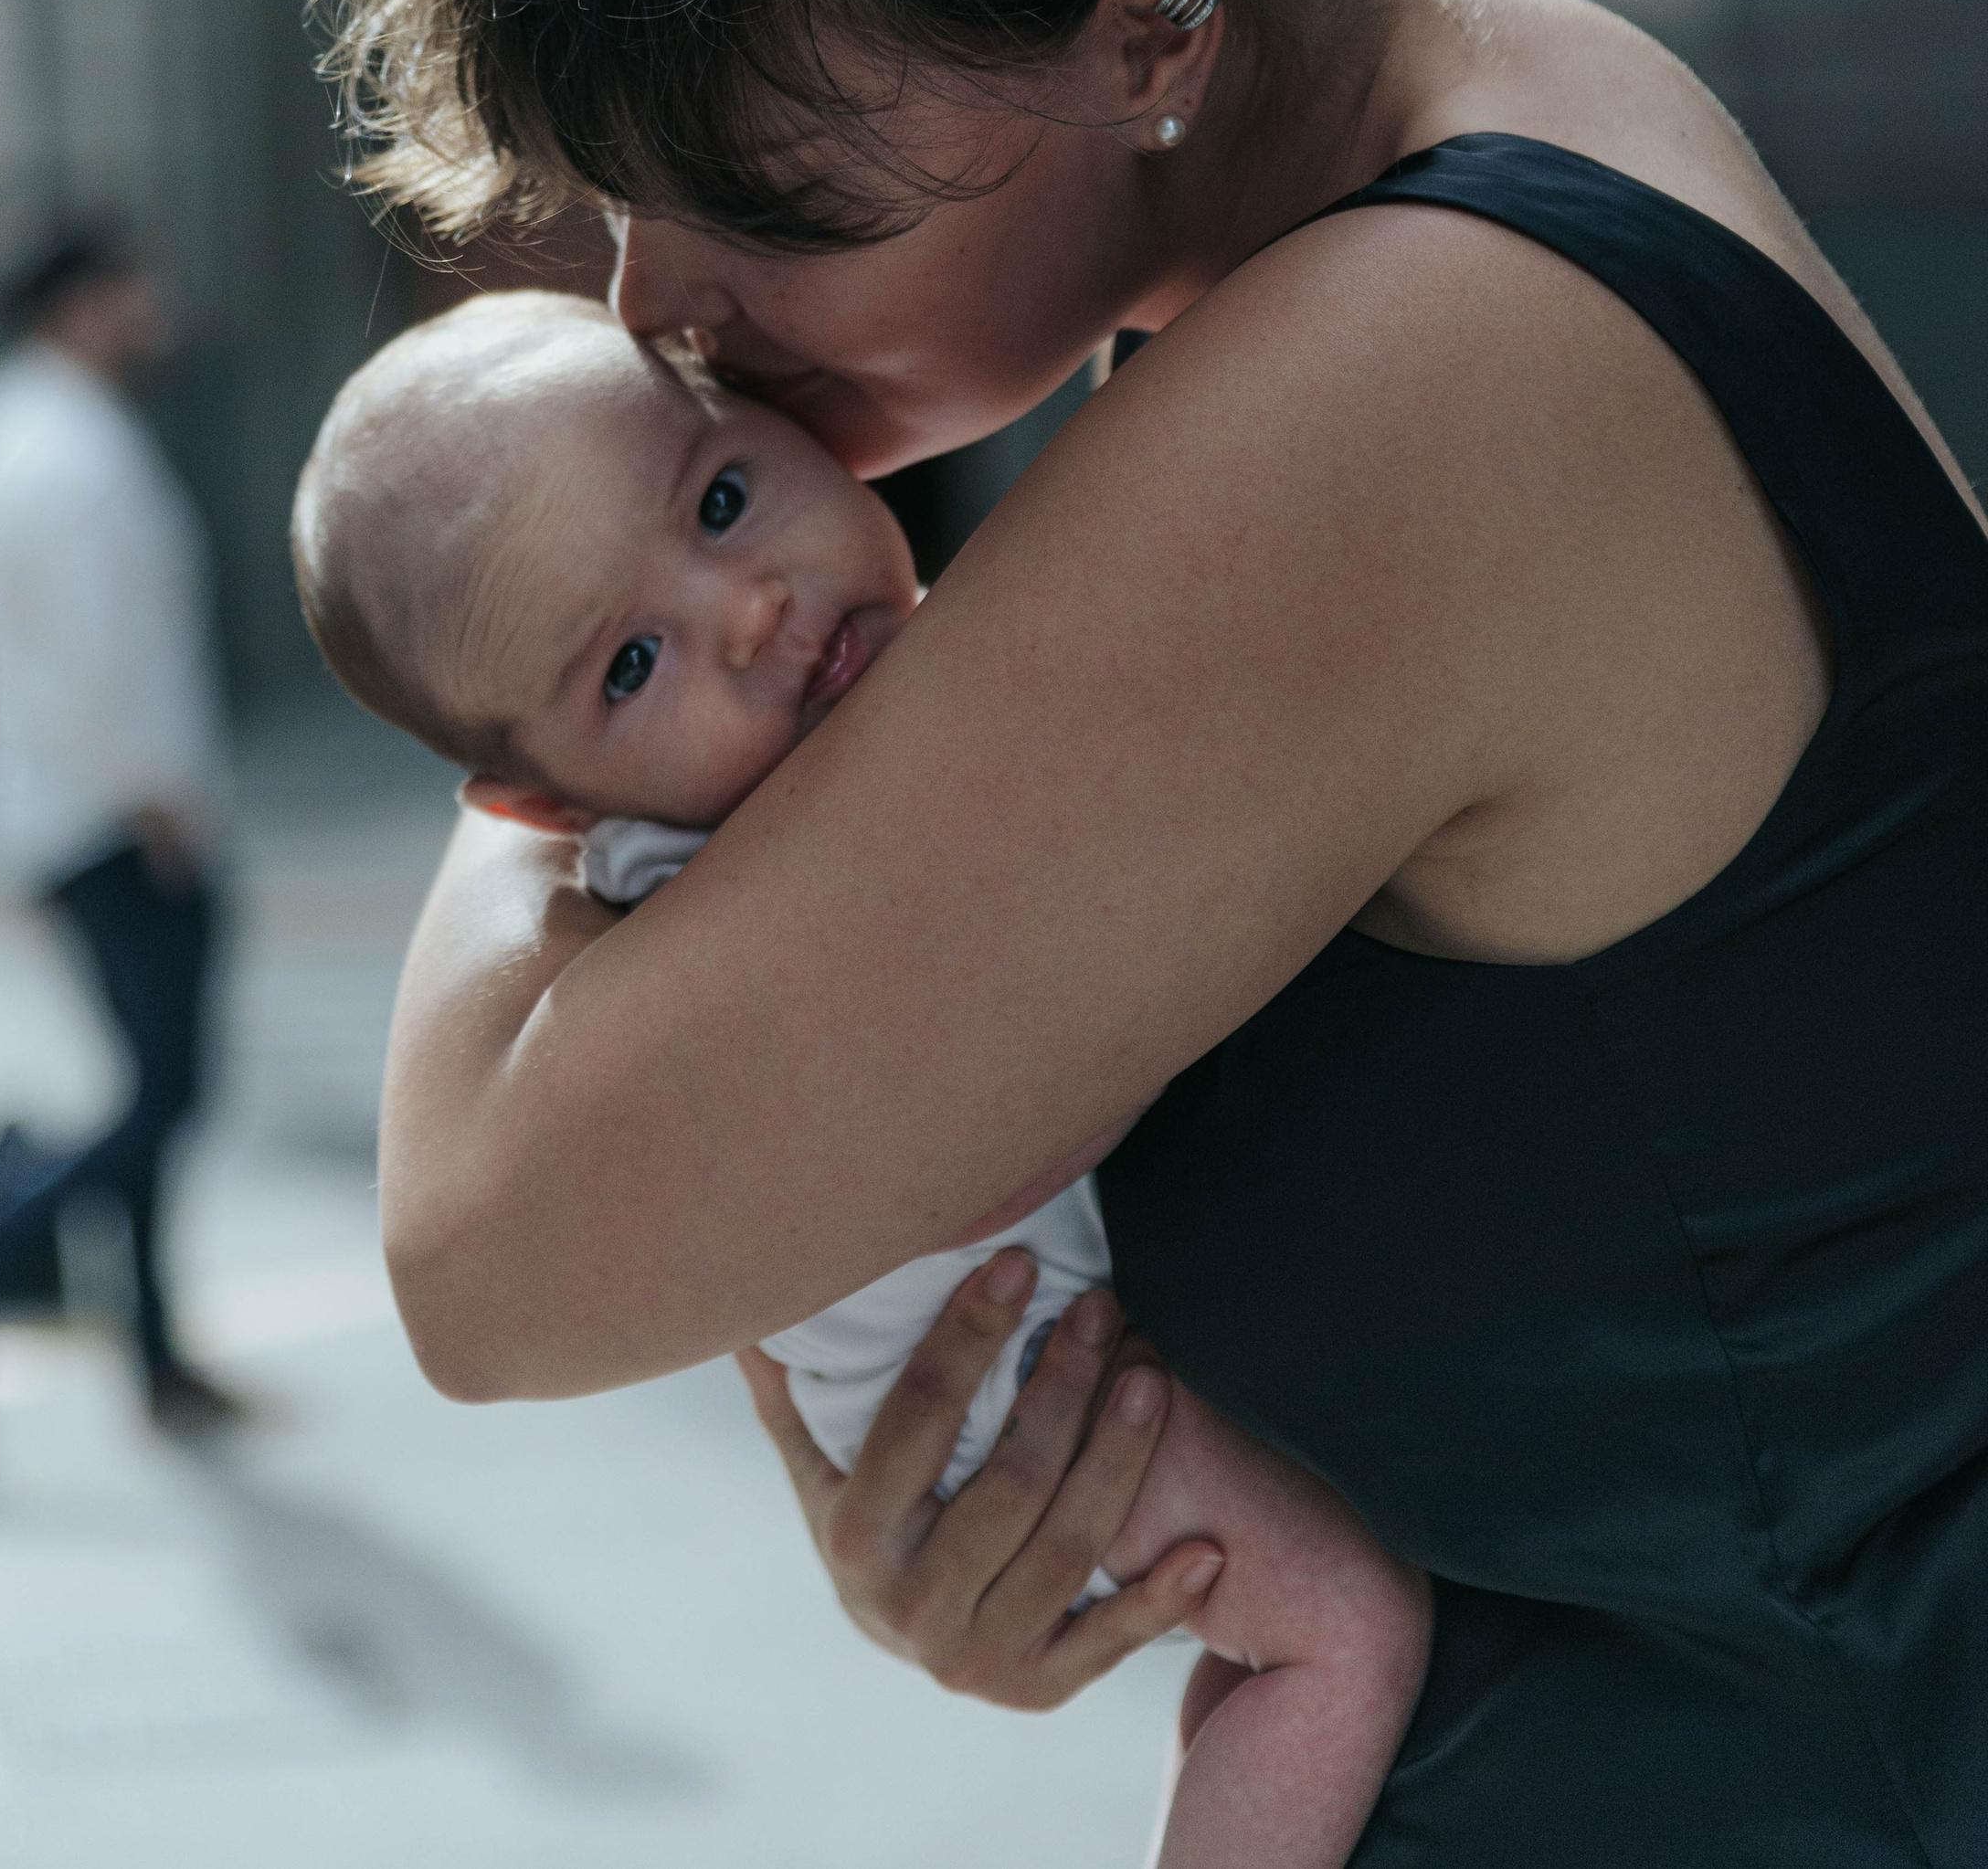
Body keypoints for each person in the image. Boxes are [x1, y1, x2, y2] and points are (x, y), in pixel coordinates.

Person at [297, 0, 1988, 1861]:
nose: (660, 310)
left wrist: (527, 693)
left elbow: (490, 1255)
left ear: (1152, 26)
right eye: (611, 206)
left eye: (759, 190)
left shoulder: (1388, 384)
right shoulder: (1502, 94)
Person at [289, 289, 1433, 1869]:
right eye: (631, 661)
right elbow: (977, 1116)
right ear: (544, 803)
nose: (746, 607)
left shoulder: (862, 710)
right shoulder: (706, 875)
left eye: (725, 497)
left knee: (1274, 1640)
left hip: (1037, 1343)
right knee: (1339, 1635)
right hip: (1018, 1392)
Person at [0, 223, 248, 1437]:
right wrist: (158, 796)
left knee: (147, 1084)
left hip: (52, 805)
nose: (151, 306)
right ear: (76, 302)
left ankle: (155, 1357)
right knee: (167, 1092)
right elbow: (96, 653)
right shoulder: (70, 450)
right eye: (128, 286)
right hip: (117, 812)